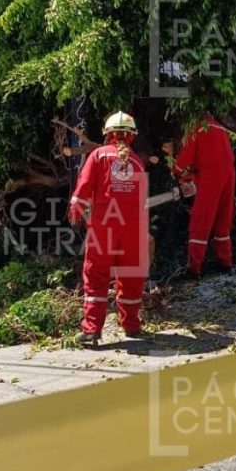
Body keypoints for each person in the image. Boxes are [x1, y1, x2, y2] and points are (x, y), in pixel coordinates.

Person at [67, 111, 149, 347]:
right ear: (131, 137)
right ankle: (131, 326)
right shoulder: (136, 162)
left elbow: (81, 194)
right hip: (133, 231)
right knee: (131, 277)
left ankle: (92, 331)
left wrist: (84, 221)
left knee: (96, 276)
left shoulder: (98, 155)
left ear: (108, 134)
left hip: (104, 228)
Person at [172, 114, 236, 277]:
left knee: (201, 219)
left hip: (211, 175)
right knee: (223, 218)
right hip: (228, 174)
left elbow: (187, 154)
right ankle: (225, 263)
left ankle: (195, 268)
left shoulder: (197, 127)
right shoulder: (220, 127)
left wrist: (176, 171)